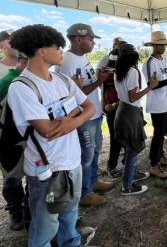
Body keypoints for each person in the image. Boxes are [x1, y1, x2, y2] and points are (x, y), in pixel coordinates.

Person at [8, 24, 96, 247]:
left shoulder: (62, 81)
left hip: (72, 160)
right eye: (57, 47)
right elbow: (47, 130)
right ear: (41, 51)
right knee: (45, 223)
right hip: (46, 169)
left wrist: (72, 120)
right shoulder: (22, 87)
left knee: (69, 212)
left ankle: (71, 242)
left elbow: (90, 108)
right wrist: (75, 113)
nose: (60, 51)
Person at [56, 23, 113, 206]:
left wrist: (99, 77)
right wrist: (100, 82)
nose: (93, 43)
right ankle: (84, 193)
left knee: (95, 150)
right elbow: (72, 96)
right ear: (78, 39)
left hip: (93, 113)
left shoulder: (83, 58)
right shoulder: (68, 62)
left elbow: (84, 86)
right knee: (86, 155)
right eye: (91, 39)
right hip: (83, 116)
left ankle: (93, 181)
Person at [114, 43, 158, 195]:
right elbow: (133, 97)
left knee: (130, 147)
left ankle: (133, 174)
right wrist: (150, 87)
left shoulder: (118, 71)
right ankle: (127, 186)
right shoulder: (132, 72)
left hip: (122, 110)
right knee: (132, 148)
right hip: (130, 112)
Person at [142, 31, 167, 179]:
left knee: (163, 131)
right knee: (158, 134)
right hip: (157, 104)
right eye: (160, 45)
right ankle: (154, 164)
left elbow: (165, 79)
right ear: (153, 45)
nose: (163, 47)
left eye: (164, 44)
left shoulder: (164, 60)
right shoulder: (149, 63)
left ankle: (161, 156)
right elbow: (151, 85)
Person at [0, 51, 30, 231]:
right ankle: (16, 213)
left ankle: (27, 212)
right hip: (9, 142)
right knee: (12, 178)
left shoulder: (25, 80)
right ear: (25, 62)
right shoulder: (8, 83)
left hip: (25, 139)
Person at [100, 48, 124, 178]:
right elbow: (103, 87)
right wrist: (104, 103)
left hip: (123, 106)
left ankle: (128, 160)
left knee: (128, 135)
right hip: (111, 107)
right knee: (115, 137)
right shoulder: (107, 72)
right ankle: (111, 165)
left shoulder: (128, 70)